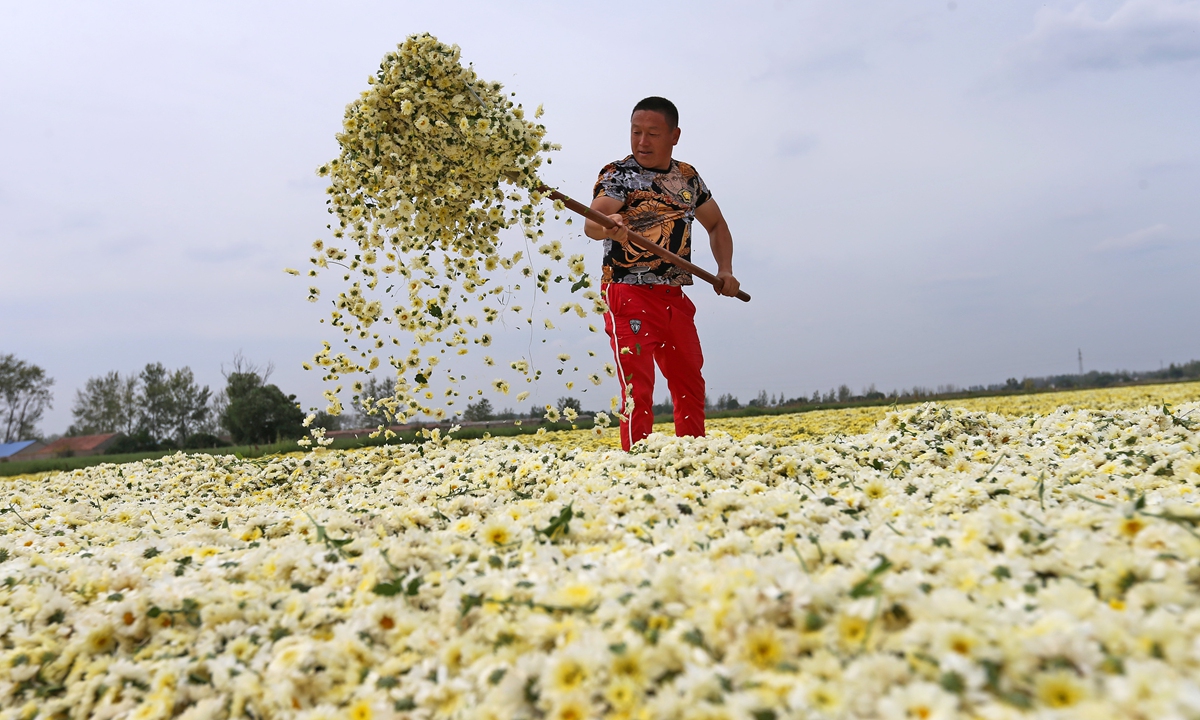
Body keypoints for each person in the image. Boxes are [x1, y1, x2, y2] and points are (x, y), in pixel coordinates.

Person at [584, 96, 740, 451]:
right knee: (638, 387)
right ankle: (638, 465)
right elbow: (593, 220)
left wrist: (726, 270)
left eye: (653, 133)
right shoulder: (617, 174)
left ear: (674, 136)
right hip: (628, 292)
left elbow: (716, 225)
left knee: (689, 380)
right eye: (636, 132)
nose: (642, 141)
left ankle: (693, 455)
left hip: (673, 296)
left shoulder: (687, 177)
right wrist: (611, 225)